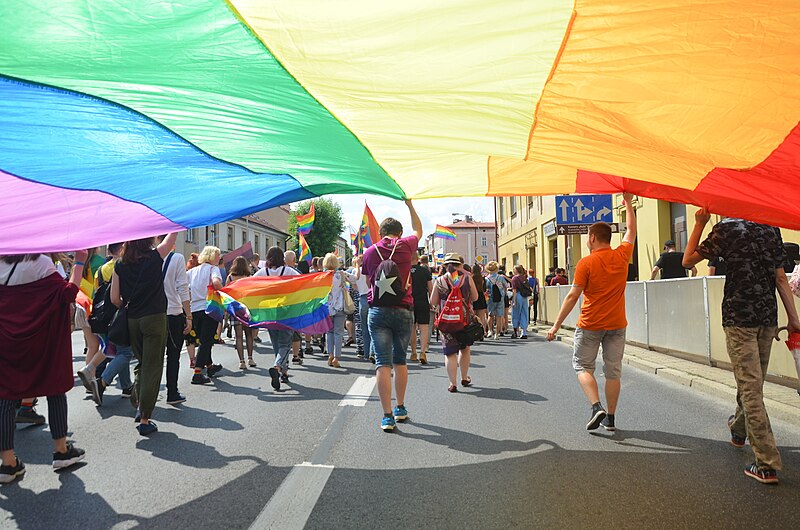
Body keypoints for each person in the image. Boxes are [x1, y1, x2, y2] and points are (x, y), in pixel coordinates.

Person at [683, 212, 800, 485]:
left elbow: (687, 260)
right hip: (767, 318)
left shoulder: (726, 229)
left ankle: (766, 463)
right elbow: (781, 278)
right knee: (752, 382)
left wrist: (700, 222)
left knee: (750, 386)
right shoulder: (771, 227)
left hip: (739, 318)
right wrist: (793, 318)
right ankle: (738, 431)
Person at [547, 192, 637, 432]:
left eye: (588, 236)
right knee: (613, 372)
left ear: (593, 237)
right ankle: (611, 418)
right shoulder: (621, 255)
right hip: (617, 325)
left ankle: (596, 406)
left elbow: (573, 296)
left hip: (590, 325)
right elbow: (631, 231)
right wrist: (628, 203)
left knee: (583, 367)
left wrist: (555, 326)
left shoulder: (586, 263)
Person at [1, 252, 88, 483]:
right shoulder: (41, 263)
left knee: (7, 396)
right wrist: (79, 261)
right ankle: (61, 451)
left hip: (7, 341)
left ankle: (8, 463)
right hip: (42, 340)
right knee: (54, 388)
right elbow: (68, 293)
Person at [361, 200, 422, 432]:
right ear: (400, 233)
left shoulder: (369, 252)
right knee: (400, 361)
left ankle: (386, 416)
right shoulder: (407, 246)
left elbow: (368, 282)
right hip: (403, 309)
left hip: (377, 312)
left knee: (382, 363)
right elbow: (419, 230)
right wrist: (409, 205)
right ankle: (401, 408)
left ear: (381, 233)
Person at [111, 233, 177, 436]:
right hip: (155, 318)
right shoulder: (155, 257)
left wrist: (130, 306)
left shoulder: (120, 264)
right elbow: (170, 240)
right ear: (148, 240)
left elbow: (114, 298)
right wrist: (177, 221)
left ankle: (138, 397)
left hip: (133, 320)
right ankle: (145, 416)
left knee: (141, 362)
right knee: (152, 365)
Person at [88, 243, 135, 405]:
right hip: (120, 313)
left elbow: (96, 291)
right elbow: (119, 296)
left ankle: (127, 386)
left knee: (117, 349)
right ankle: (102, 382)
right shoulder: (123, 265)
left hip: (103, 315)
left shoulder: (102, 268)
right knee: (125, 352)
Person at [430, 253, 479, 392]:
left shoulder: (439, 280)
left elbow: (432, 302)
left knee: (450, 353)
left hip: (446, 321)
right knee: (464, 349)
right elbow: (475, 297)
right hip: (464, 320)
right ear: (460, 265)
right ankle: (464, 377)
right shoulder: (467, 278)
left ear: (445, 266)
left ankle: (453, 383)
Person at [256, 246, 299, 390]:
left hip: (269, 311)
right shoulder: (288, 271)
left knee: (276, 343)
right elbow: (302, 283)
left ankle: (283, 372)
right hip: (285, 311)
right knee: (285, 344)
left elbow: (250, 285)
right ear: (282, 258)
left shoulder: (262, 272)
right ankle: (277, 367)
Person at [186, 246, 224, 386]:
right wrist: (224, 292)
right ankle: (197, 373)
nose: (219, 258)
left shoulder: (192, 271)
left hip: (195, 308)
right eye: (218, 255)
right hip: (209, 307)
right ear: (212, 256)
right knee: (206, 341)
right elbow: (216, 282)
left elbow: (184, 286)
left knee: (203, 338)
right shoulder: (213, 269)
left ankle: (210, 366)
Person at [160, 238, 191, 405]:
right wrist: (189, 315)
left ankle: (145, 398)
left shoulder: (147, 257)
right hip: (172, 312)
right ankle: (172, 392)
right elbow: (182, 288)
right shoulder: (177, 258)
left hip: (152, 313)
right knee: (173, 356)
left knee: (152, 357)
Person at [323, 253, 358, 368]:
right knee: (339, 333)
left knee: (329, 332)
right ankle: (336, 358)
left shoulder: (323, 276)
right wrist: (357, 266)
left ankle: (330, 354)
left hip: (327, 308)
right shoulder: (342, 274)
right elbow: (355, 278)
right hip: (340, 307)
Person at [226, 256, 256, 370]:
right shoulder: (248, 277)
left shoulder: (230, 277)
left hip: (235, 308)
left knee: (238, 336)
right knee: (249, 335)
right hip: (247, 308)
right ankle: (250, 358)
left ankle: (241, 361)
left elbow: (225, 294)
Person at [410, 253, 433, 364]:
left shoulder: (405, 271)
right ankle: (423, 351)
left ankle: (413, 352)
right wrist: (432, 303)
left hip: (409, 302)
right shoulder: (425, 271)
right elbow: (430, 288)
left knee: (412, 327)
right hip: (423, 301)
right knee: (424, 327)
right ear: (417, 259)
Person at [349, 255, 371, 361]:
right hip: (371, 297)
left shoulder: (355, 271)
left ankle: (366, 352)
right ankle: (373, 351)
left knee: (363, 327)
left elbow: (353, 286)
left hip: (361, 297)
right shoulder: (370, 269)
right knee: (373, 327)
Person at [284, 251, 304, 365]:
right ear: (294, 260)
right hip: (295, 306)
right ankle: (295, 356)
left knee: (283, 334)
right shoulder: (296, 272)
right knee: (295, 333)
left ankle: (284, 358)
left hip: (282, 306)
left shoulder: (278, 272)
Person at [484, 261, 509, 339]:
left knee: (490, 315)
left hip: (491, 298)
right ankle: (497, 334)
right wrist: (503, 293)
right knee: (499, 316)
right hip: (500, 298)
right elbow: (506, 286)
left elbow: (485, 289)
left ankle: (490, 331)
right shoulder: (500, 277)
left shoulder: (486, 279)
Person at [510, 265, 531, 339]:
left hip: (518, 296)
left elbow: (514, 290)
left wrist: (514, 301)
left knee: (515, 313)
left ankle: (515, 331)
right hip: (524, 297)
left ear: (516, 270)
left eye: (514, 269)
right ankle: (524, 332)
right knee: (524, 313)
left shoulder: (514, 278)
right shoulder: (523, 277)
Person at [472, 262, 489, 337]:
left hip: (473, 296)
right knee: (482, 317)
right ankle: (483, 332)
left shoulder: (471, 277)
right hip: (481, 296)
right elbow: (484, 289)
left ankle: (474, 332)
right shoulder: (482, 278)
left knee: (473, 316)